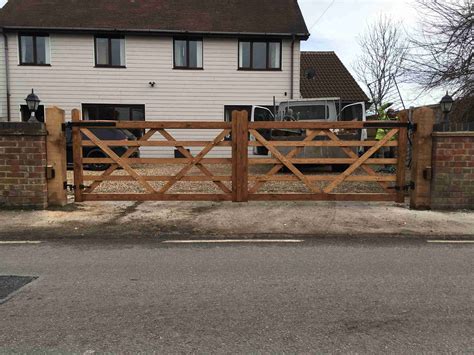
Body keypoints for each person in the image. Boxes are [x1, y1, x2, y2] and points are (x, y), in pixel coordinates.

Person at [376, 107, 398, 173]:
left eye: (393, 112)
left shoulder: (397, 120)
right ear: (387, 113)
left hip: (393, 138)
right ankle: (386, 166)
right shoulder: (384, 118)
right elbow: (380, 109)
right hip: (384, 138)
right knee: (386, 151)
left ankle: (390, 166)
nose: (392, 113)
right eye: (390, 112)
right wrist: (387, 104)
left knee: (392, 152)